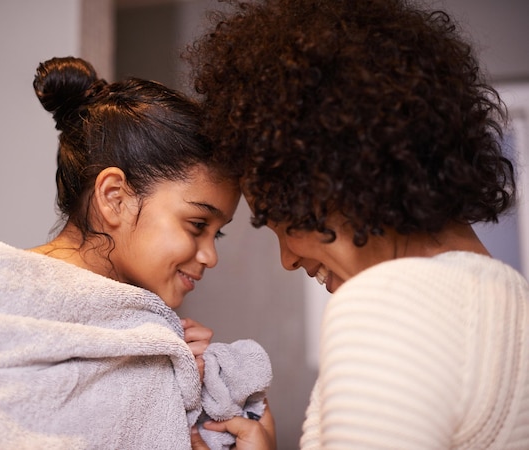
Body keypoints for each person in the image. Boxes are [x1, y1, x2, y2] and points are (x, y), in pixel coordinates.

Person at [187, 0, 529, 448]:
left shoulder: (385, 305)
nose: (288, 259)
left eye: (281, 221)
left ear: (334, 177)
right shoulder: (512, 299)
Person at [0, 56, 245, 449]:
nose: (210, 256)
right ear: (114, 197)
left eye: (218, 235)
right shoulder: (0, 333)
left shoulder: (142, 338)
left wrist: (178, 383)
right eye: (198, 225)